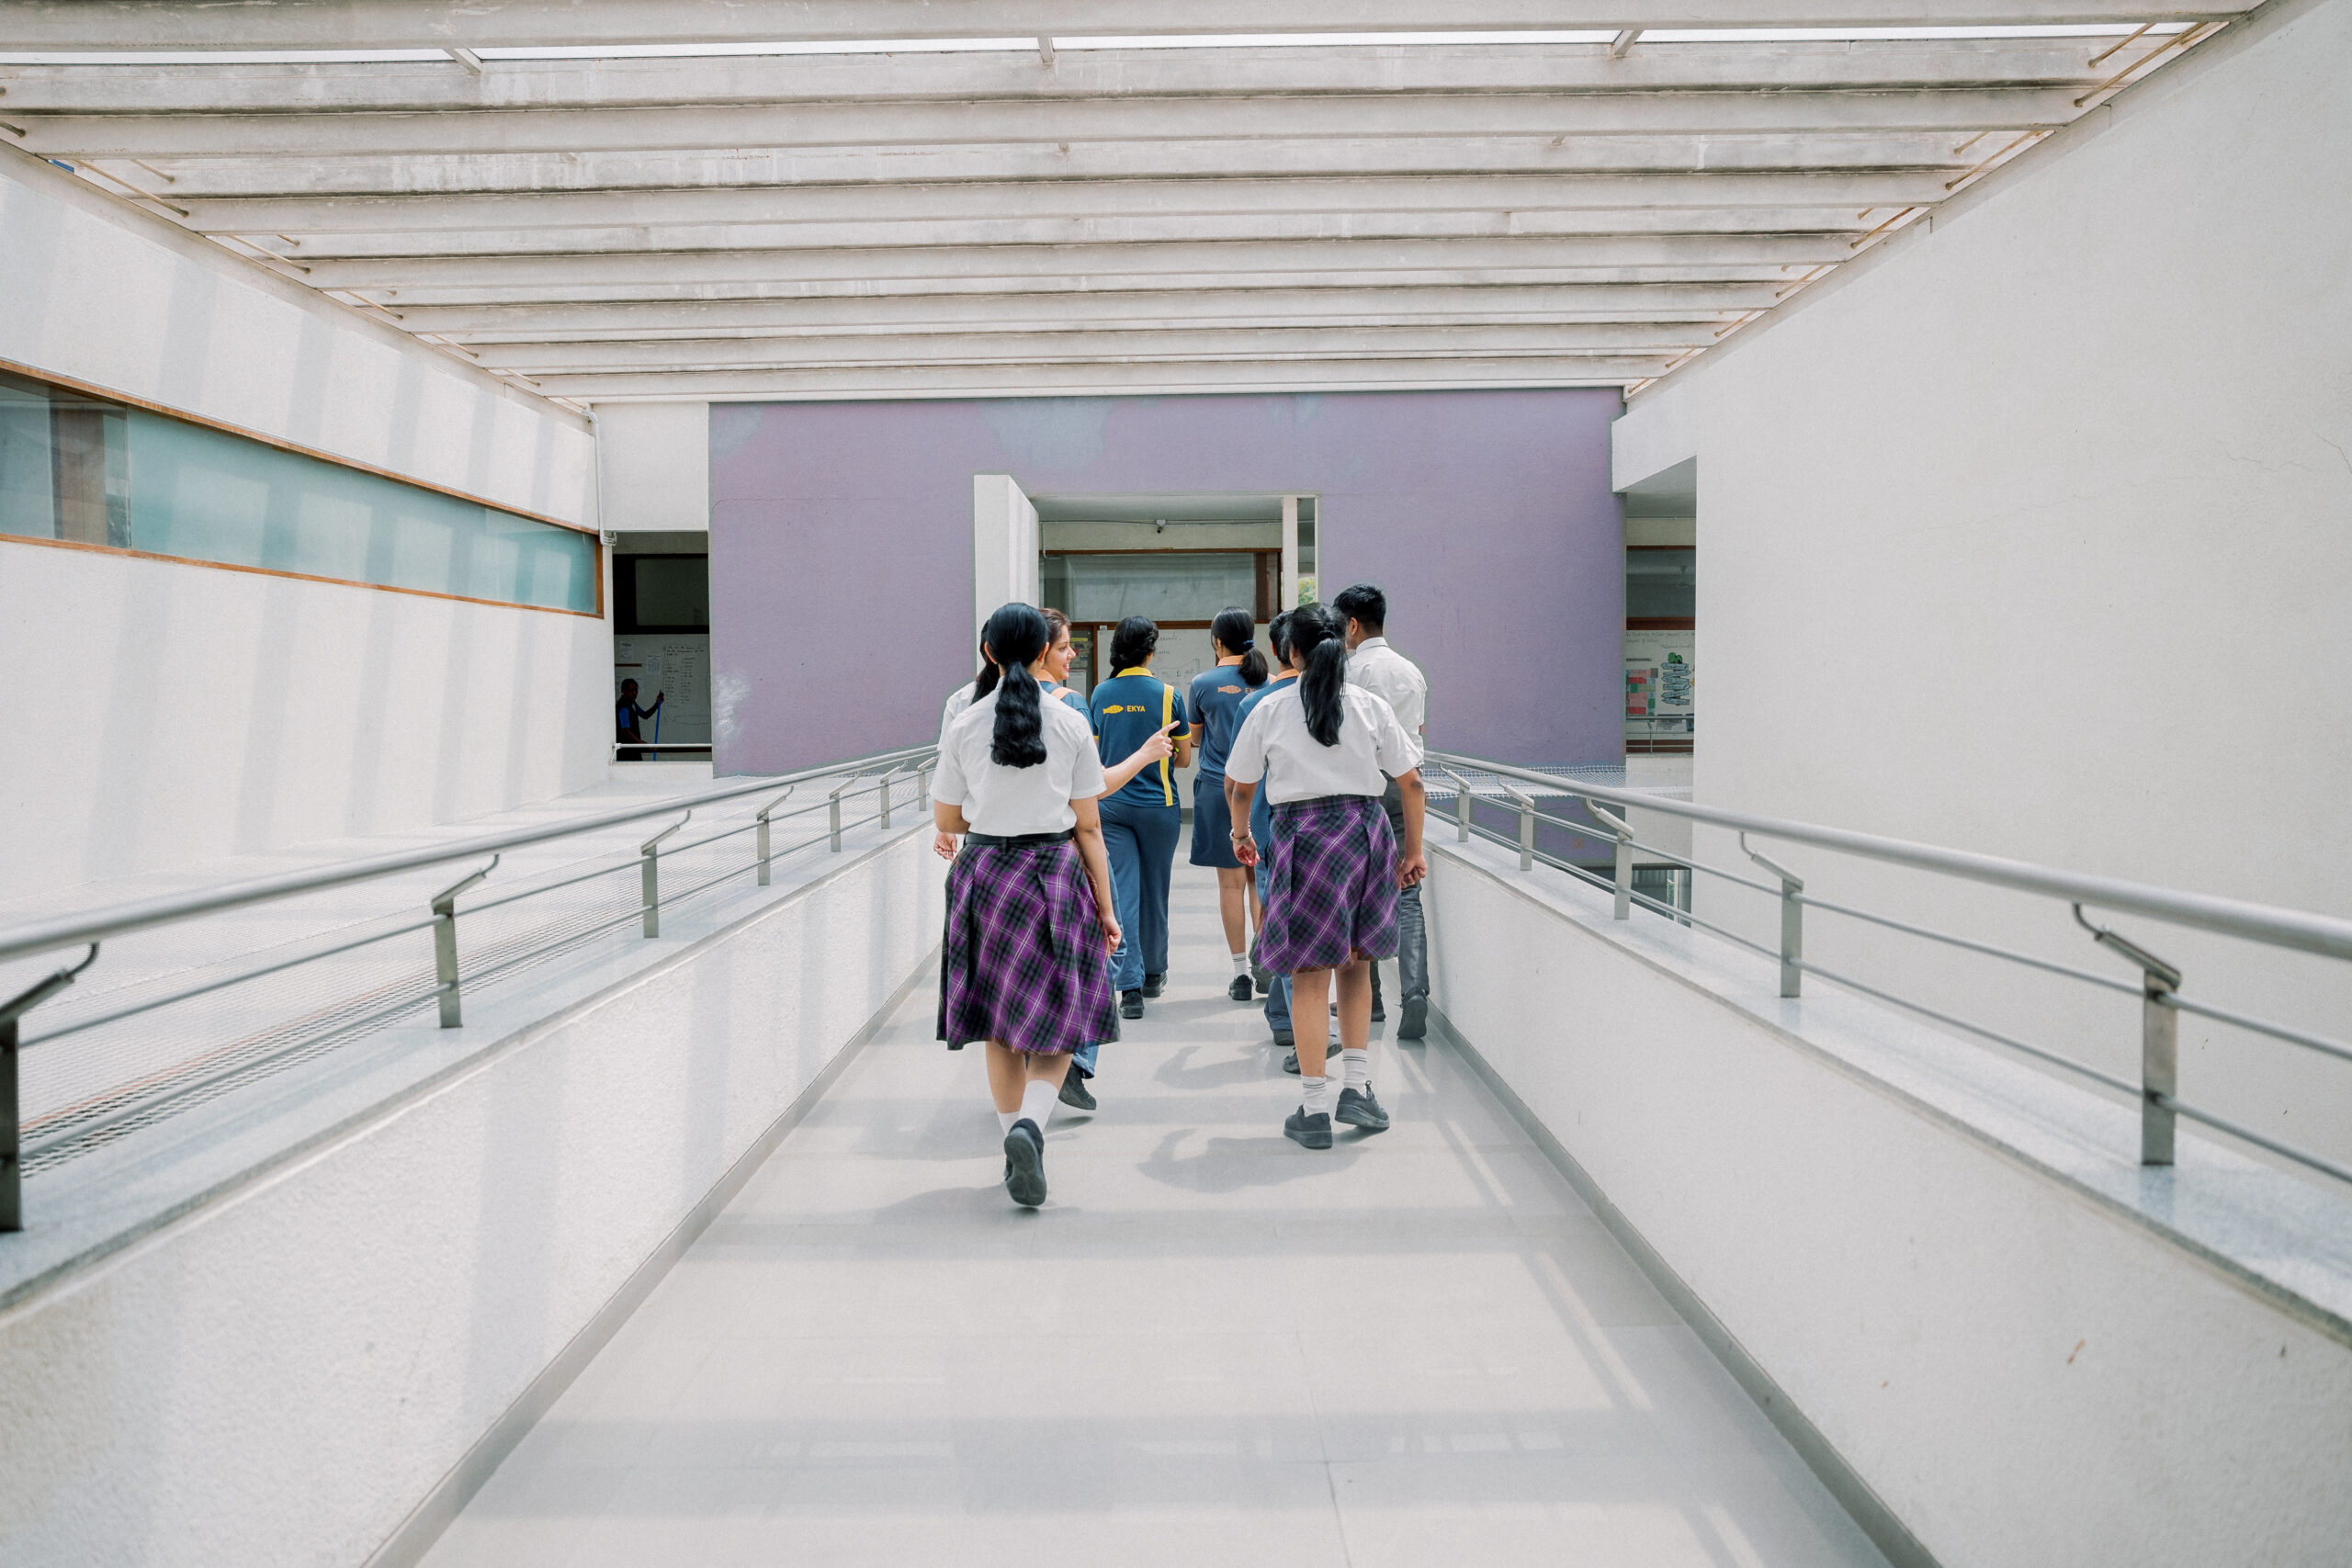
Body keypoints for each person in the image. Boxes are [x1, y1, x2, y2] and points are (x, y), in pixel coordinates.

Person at [933, 603, 1122, 1209]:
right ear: (1045, 652)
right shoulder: (1068, 724)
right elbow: (1089, 827)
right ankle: (1031, 1127)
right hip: (1055, 872)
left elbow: (946, 818)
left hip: (986, 873)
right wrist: (1107, 908)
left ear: (988, 651)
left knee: (998, 1023)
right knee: (1061, 1017)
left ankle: (1010, 1141)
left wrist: (993, 811)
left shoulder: (964, 722)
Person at [1226, 603, 1428, 1150]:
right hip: (1364, 834)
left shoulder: (1269, 710)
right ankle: (1357, 1089)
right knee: (1358, 967)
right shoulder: (1369, 706)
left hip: (1301, 837)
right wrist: (1412, 852)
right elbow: (1411, 784)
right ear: (1344, 644)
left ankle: (1314, 1109)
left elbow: (1239, 786)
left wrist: (1241, 836)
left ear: (1291, 652)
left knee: (1309, 973)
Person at [1039, 608, 1170, 1110]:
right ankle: (1144, 979)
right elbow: (1088, 796)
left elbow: (953, 812)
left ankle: (1023, 1111)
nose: (1073, 655)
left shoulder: (972, 706)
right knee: (1107, 934)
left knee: (1023, 976)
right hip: (1086, 834)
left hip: (999, 857)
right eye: (1066, 646)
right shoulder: (1072, 705)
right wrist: (1145, 755)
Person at [1333, 581, 1432, 1041]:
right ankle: (1414, 993)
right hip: (1405, 787)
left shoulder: (1350, 674)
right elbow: (1418, 732)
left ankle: (1367, 1000)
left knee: (1358, 893)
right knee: (1407, 892)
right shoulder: (1411, 671)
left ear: (1352, 625)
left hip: (1364, 790)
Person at [1087, 616, 1192, 1020]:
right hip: (1158, 807)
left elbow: (1095, 759)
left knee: (1122, 894)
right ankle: (1153, 974)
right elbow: (1182, 757)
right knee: (1155, 890)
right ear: (1151, 651)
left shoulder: (1100, 693)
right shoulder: (1168, 695)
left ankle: (1127, 988)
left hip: (1110, 807)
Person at [1187, 607, 1271, 1001]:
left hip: (1218, 790)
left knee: (1230, 883)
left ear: (1218, 642)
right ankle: (1266, 959)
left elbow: (1194, 739)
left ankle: (1240, 973)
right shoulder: (1270, 682)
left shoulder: (1203, 684)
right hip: (1263, 790)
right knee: (1261, 880)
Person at [615, 679, 663, 761]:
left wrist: (657, 704)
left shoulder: (632, 703)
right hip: (626, 751)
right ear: (623, 691)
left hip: (634, 748)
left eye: (636, 690)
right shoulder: (623, 707)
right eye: (631, 690)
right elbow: (626, 732)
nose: (634, 693)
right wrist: (644, 744)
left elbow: (645, 715)